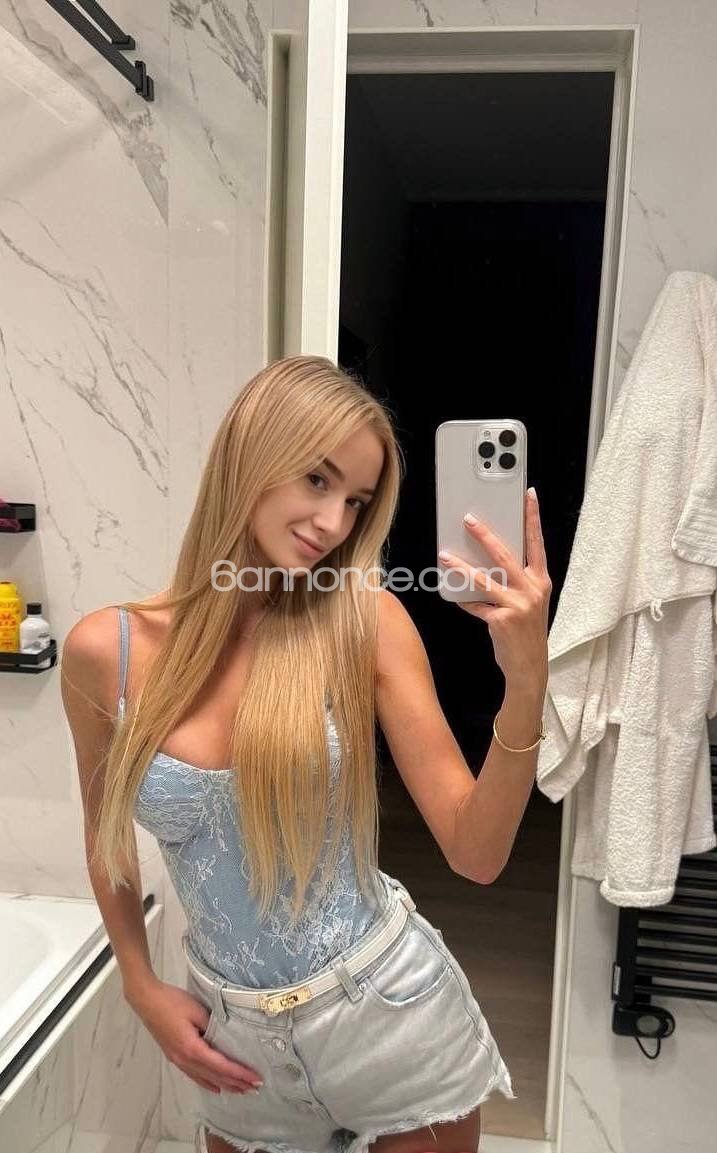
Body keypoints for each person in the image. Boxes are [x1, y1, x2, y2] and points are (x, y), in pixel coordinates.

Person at [60, 355, 551, 1153]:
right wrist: (139, 982)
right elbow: (103, 834)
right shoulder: (102, 652)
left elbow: (477, 851)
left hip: (386, 1014)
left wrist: (524, 683)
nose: (332, 522)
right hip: (234, 1046)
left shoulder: (363, 622)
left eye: (355, 500)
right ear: (248, 458)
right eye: (317, 479)